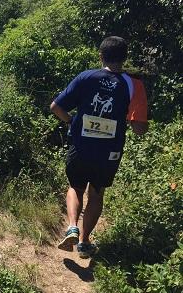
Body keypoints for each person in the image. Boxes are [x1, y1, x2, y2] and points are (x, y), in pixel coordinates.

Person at [50, 36, 148, 258]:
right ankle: (84, 243)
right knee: (96, 193)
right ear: (124, 58)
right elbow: (139, 128)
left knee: (75, 187)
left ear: (101, 55)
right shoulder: (134, 85)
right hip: (109, 151)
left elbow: (56, 106)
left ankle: (72, 226)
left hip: (81, 145)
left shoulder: (86, 77)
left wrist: (71, 121)